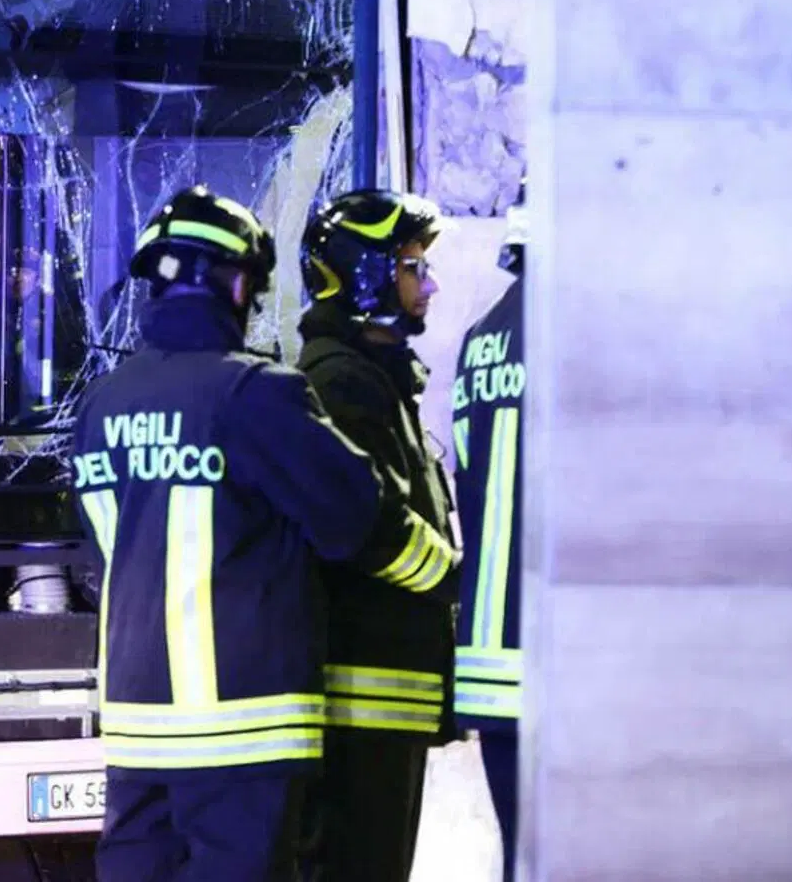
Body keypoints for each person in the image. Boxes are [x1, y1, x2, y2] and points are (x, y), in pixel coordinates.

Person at [74, 185, 458, 882]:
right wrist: (450, 576)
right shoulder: (257, 392)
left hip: (136, 728)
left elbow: (110, 547)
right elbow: (355, 517)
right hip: (246, 729)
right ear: (239, 284)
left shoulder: (103, 402)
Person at [296, 189, 463, 882]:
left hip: (383, 700)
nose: (429, 285)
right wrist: (455, 578)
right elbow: (367, 525)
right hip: (362, 701)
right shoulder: (340, 383)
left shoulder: (373, 379)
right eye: (412, 267)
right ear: (364, 274)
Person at [451, 182, 527, 878]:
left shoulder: (481, 339)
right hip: (562, 656)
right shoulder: (586, 332)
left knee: (521, 856)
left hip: (490, 657)